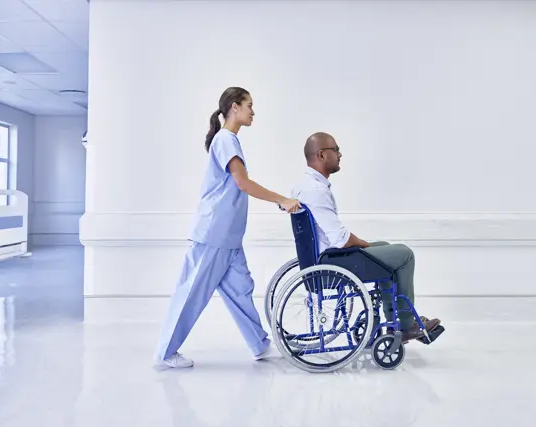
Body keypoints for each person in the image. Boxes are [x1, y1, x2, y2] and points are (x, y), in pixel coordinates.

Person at [154, 87, 301, 368]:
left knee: (241, 289)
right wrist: (282, 200)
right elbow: (242, 183)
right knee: (192, 292)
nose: (253, 111)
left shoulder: (229, 140)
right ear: (234, 107)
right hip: (213, 234)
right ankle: (164, 354)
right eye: (249, 105)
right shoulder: (225, 140)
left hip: (229, 236)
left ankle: (259, 344)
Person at [291, 132, 441, 343]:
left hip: (322, 258)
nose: (340, 154)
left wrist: (365, 246)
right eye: (336, 150)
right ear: (322, 155)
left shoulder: (303, 184)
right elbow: (341, 239)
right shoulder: (316, 190)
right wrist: (363, 244)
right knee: (404, 255)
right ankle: (405, 324)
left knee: (386, 248)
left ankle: (395, 321)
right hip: (332, 263)